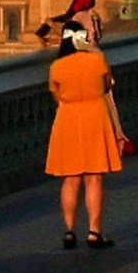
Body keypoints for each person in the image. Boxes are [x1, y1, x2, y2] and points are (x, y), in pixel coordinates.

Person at [43, 22, 127, 247]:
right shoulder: (97, 60)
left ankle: (69, 230)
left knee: (70, 179)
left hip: (68, 118)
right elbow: (107, 84)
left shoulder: (57, 66)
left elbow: (56, 94)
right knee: (94, 177)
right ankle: (94, 231)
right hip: (95, 116)